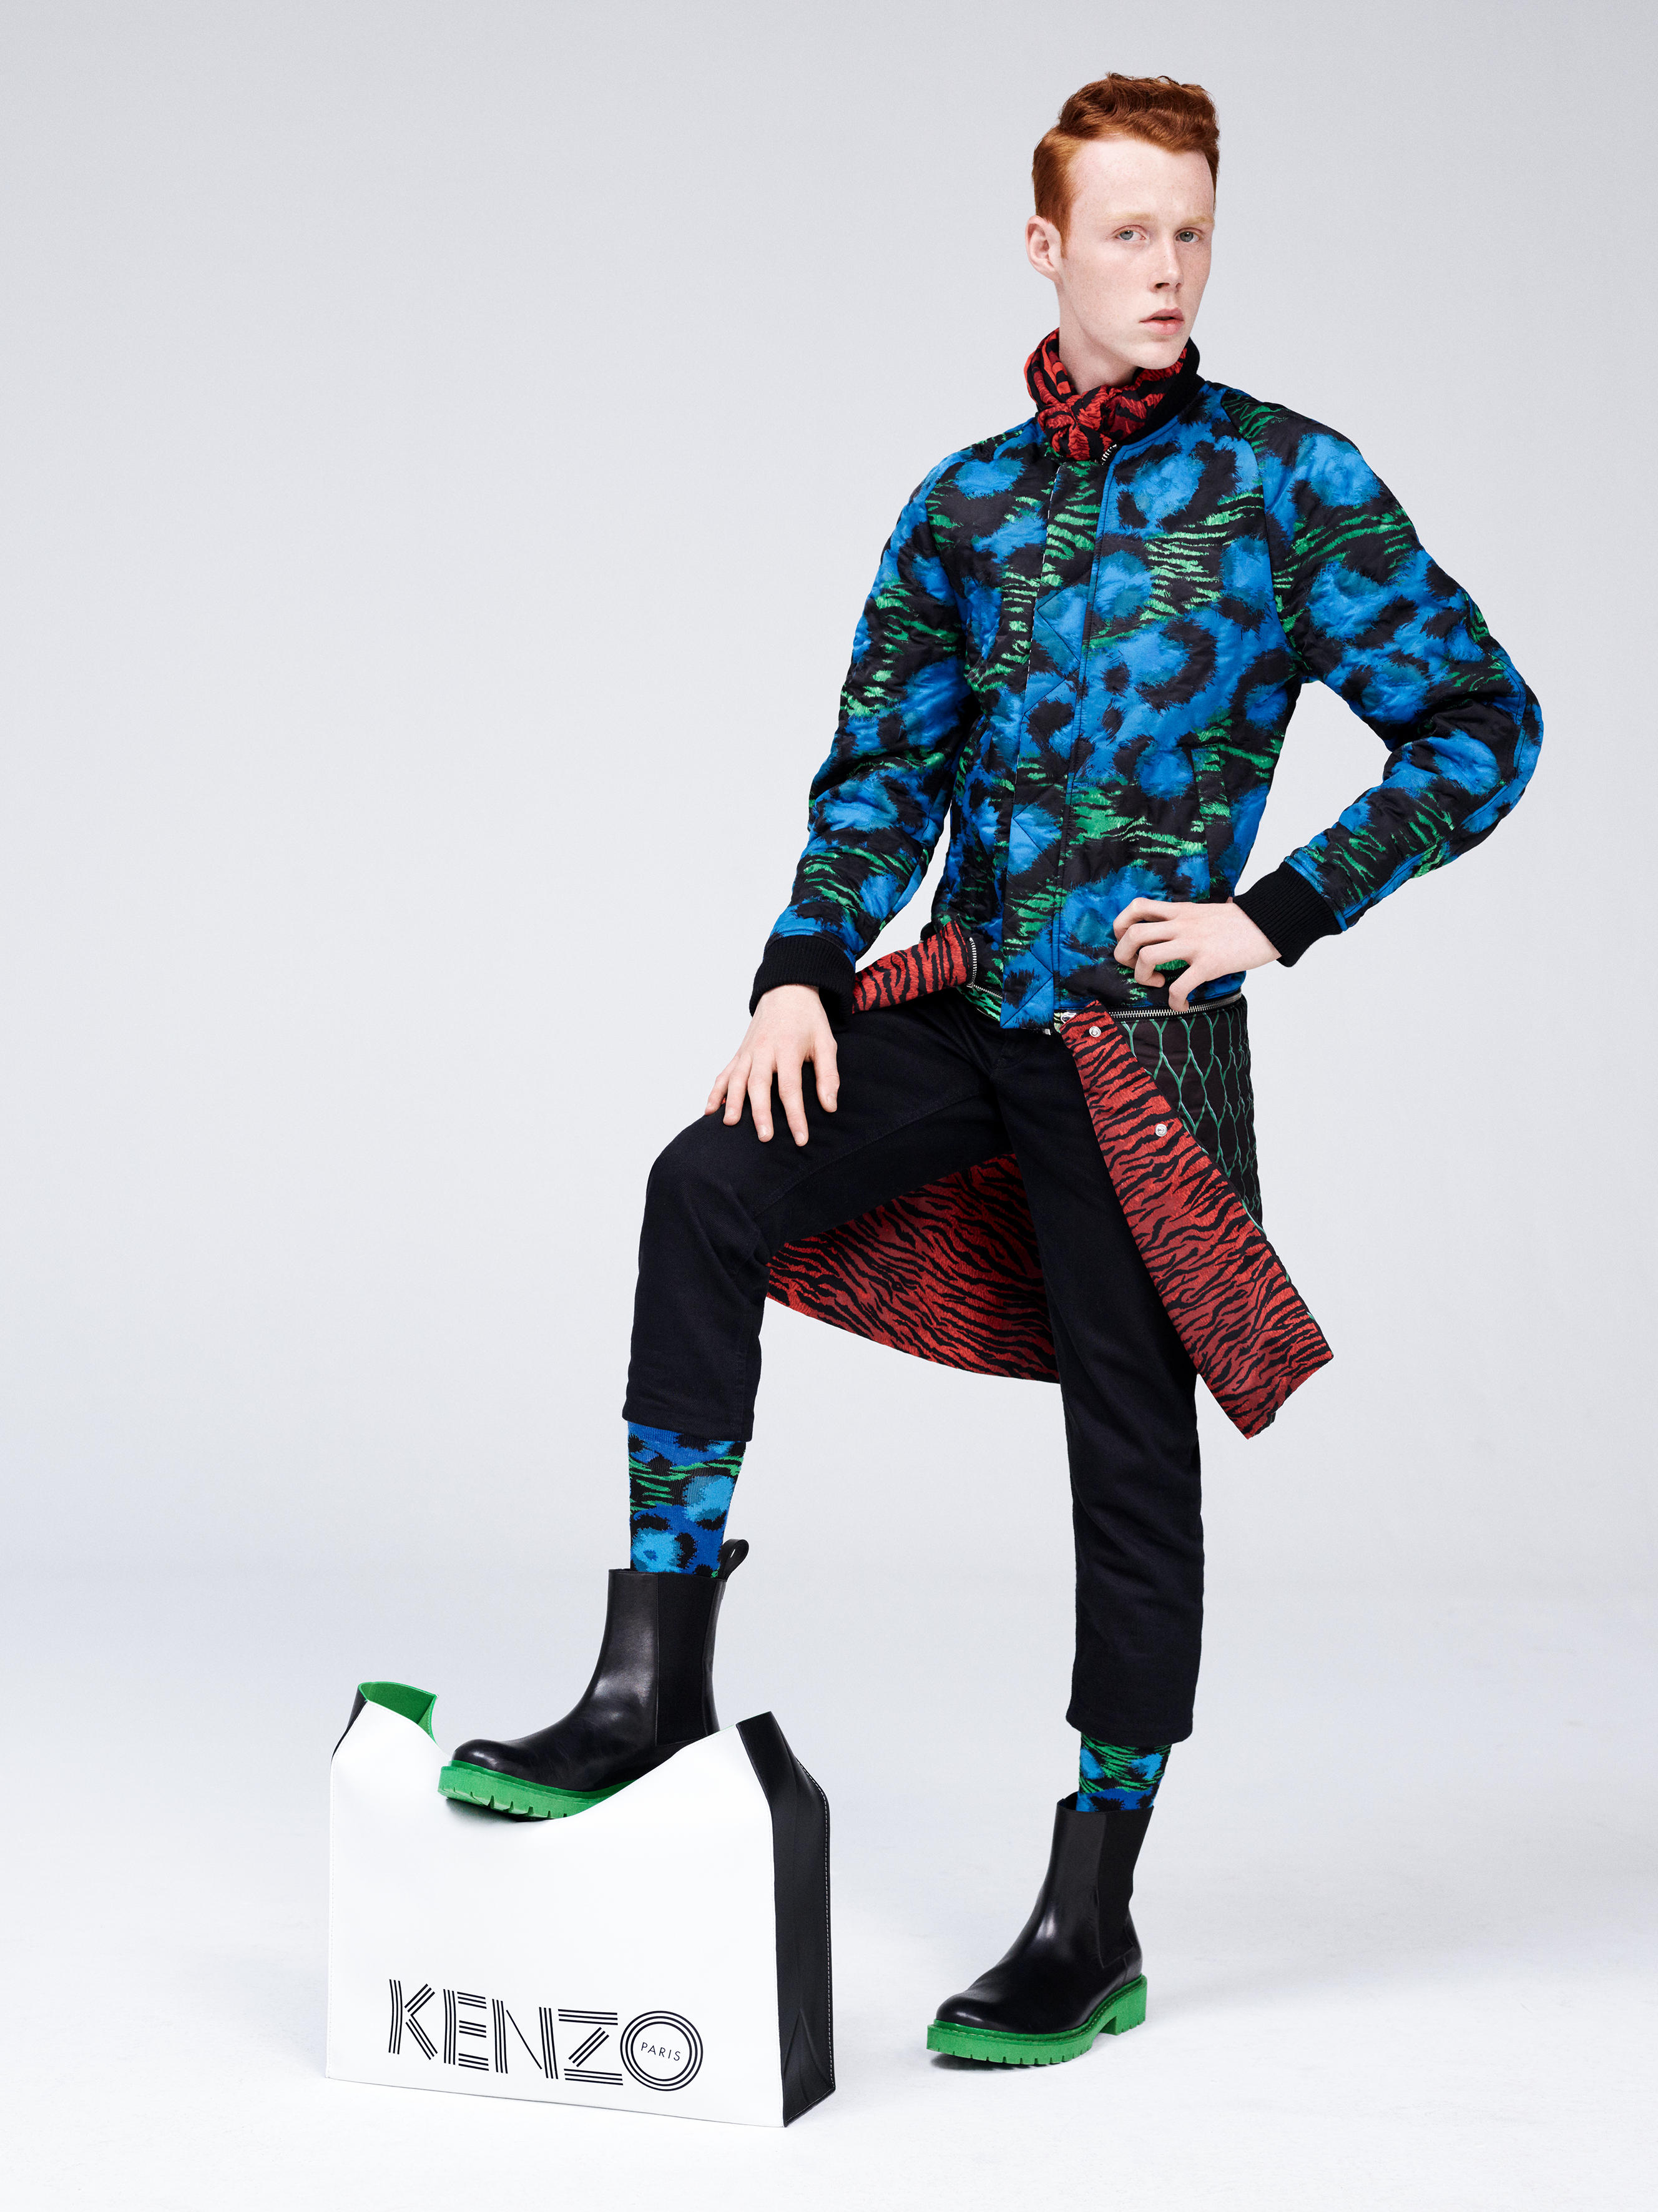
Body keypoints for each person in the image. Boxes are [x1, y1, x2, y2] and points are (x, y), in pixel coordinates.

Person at [437, 73, 1541, 2067]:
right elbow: (881, 766)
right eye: (1129, 232)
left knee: (1129, 1440)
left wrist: (1278, 916)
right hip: (961, 997)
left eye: (1193, 230)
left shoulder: (1294, 484)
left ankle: (1092, 1903)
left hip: (1135, 1048)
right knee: (708, 1183)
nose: (1168, 267)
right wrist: (799, 975)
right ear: (1046, 247)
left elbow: (1480, 721)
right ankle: (651, 1680)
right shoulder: (964, 505)